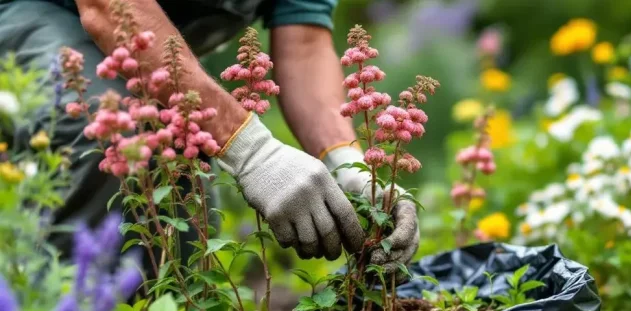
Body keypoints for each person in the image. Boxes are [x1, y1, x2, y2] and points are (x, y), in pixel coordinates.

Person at [0, 0, 419, 269]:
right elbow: (111, 7)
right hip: (35, 10)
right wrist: (254, 152)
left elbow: (305, 45)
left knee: (183, 191)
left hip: (156, 49)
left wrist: (346, 162)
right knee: (116, 131)